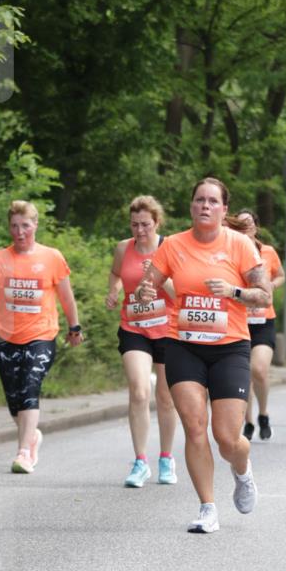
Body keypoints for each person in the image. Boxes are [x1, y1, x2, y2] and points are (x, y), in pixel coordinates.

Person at [138, 177, 271, 533]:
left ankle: (242, 472)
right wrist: (146, 292)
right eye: (199, 200)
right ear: (191, 206)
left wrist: (233, 291)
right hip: (183, 344)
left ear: (224, 209)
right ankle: (207, 508)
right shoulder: (173, 246)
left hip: (229, 348)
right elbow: (146, 286)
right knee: (195, 427)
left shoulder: (241, 245)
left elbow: (265, 295)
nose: (205, 206)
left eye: (213, 201)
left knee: (227, 437)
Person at [0, 200, 84, 473]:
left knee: (31, 386)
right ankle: (32, 437)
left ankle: (23, 453)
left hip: (41, 334)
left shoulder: (52, 257)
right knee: (14, 400)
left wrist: (74, 327)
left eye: (25, 226)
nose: (19, 232)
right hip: (5, 337)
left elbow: (66, 298)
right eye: (14, 226)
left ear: (35, 225)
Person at [106, 195, 179, 487]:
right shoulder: (124, 248)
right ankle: (140, 462)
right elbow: (116, 274)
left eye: (145, 225)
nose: (140, 231)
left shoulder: (169, 247)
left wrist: (158, 280)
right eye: (135, 224)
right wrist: (114, 290)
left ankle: (166, 458)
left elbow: (181, 292)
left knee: (165, 397)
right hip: (134, 327)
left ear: (157, 222)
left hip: (167, 329)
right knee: (138, 391)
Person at [229, 209, 285, 441]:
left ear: (256, 227)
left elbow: (281, 275)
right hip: (238, 319)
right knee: (244, 375)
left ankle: (263, 413)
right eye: (239, 225)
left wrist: (270, 285)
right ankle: (249, 421)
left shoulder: (268, 252)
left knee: (258, 369)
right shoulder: (231, 252)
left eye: (248, 224)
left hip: (263, 321)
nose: (245, 228)